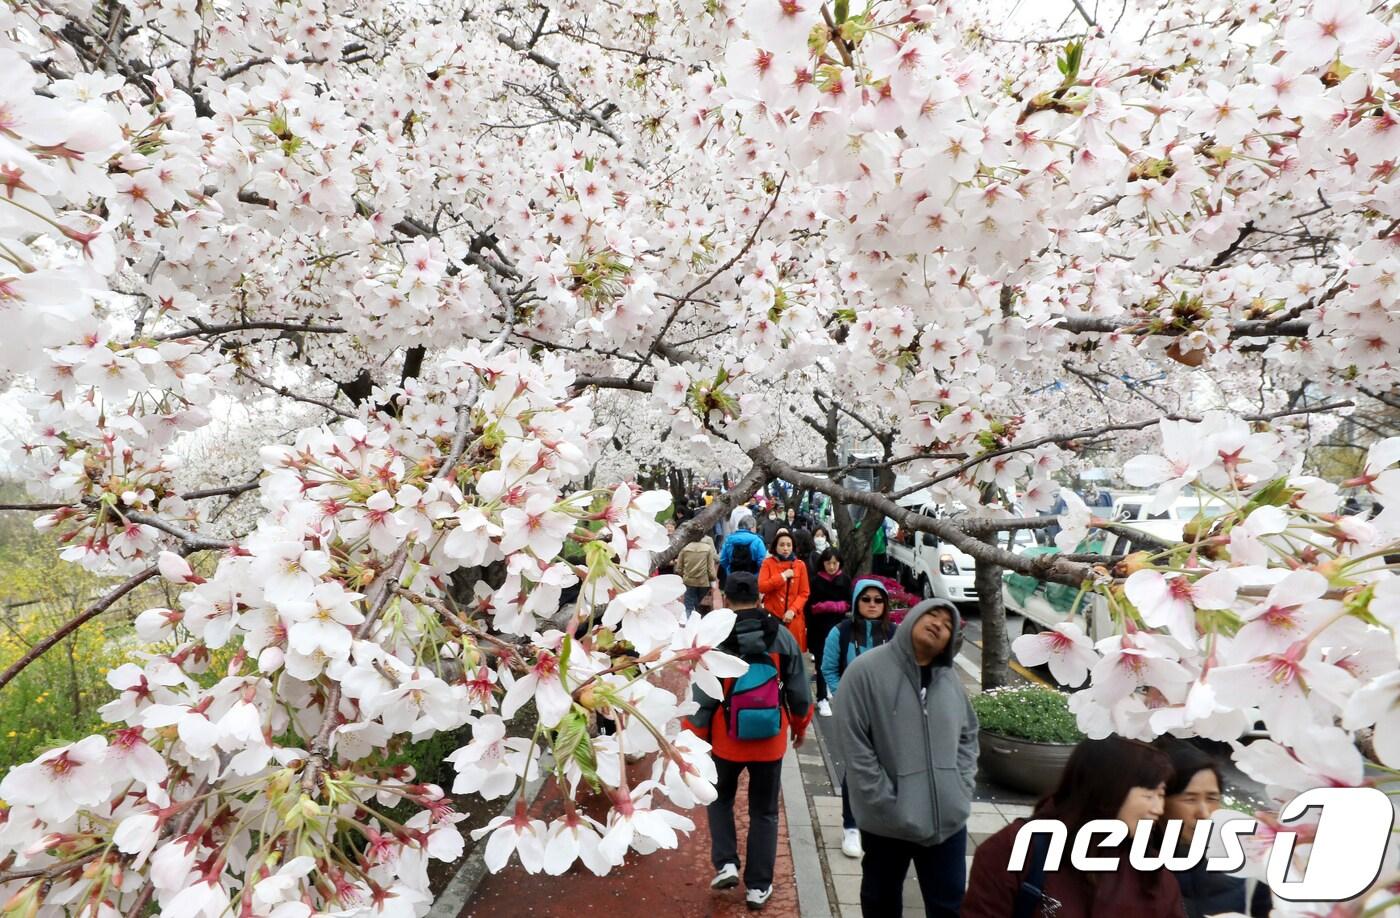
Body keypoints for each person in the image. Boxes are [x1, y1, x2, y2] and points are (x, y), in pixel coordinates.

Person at [834, 598, 977, 917]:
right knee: (881, 903)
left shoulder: (948, 680)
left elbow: (969, 735)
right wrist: (884, 801)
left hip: (946, 821)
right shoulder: (866, 671)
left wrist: (961, 787)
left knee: (950, 906)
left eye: (948, 623)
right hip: (888, 822)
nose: (939, 623)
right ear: (912, 618)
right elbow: (853, 742)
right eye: (933, 615)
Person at [684, 572, 812, 911]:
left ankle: (726, 862)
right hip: (770, 740)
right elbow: (800, 692)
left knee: (720, 799)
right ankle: (758, 886)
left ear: (725, 599)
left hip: (726, 740)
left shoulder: (717, 640)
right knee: (765, 812)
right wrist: (799, 728)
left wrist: (692, 739)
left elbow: (702, 699)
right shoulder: (782, 638)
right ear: (759, 599)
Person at [962, 736, 1187, 918]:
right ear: (1108, 790)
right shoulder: (1015, 850)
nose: (1159, 808)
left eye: (1162, 795)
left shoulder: (1151, 870)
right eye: (1149, 795)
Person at [1156, 738, 1272, 918]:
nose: (1204, 812)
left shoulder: (1248, 854)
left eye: (1211, 798)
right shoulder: (1129, 867)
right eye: (1190, 799)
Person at [821, 577, 895, 858]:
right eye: (866, 599)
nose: (872, 605)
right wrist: (845, 697)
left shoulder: (896, 633)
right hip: (853, 713)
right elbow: (829, 670)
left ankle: (877, 821)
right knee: (856, 768)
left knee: (886, 766)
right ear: (856, 602)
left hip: (888, 714)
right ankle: (851, 826)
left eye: (878, 600)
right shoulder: (839, 633)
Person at [805, 549, 853, 715]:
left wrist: (835, 607)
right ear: (822, 563)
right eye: (828, 563)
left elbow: (850, 602)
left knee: (839, 661)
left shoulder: (845, 580)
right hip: (819, 628)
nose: (831, 567)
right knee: (821, 663)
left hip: (839, 627)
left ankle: (833, 690)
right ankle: (821, 698)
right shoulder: (816, 581)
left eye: (835, 563)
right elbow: (810, 607)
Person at [759, 530, 810, 652]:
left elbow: (804, 593)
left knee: (792, 655)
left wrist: (792, 610)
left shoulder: (800, 565)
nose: (785, 548)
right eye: (781, 545)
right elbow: (762, 586)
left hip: (793, 618)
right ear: (775, 546)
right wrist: (782, 576)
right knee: (774, 654)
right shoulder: (768, 563)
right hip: (773, 616)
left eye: (789, 545)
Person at [676, 524, 720, 615]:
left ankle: (689, 623)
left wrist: (683, 575)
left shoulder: (685, 549)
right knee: (699, 603)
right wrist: (712, 580)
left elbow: (679, 568)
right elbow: (710, 568)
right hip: (703, 581)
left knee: (688, 606)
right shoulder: (707, 549)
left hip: (689, 581)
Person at [719, 514, 767, 590]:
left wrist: (729, 571)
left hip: (733, 577)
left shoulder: (729, 540)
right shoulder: (757, 541)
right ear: (752, 527)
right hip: (752, 579)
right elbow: (762, 562)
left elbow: (723, 560)